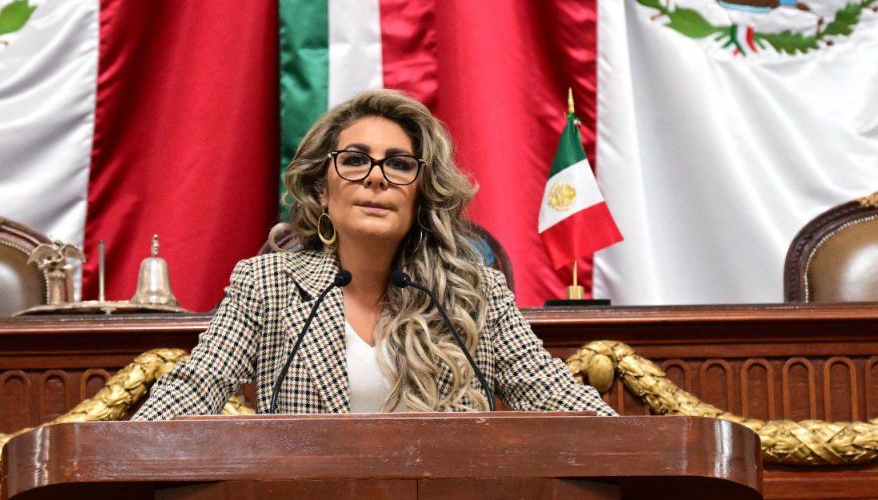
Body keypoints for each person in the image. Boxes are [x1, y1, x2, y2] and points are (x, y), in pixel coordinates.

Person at [133, 90, 615, 418]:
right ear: (321, 189)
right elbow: (194, 388)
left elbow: (556, 396)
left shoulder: (474, 293)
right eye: (355, 160)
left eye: (399, 164)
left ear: (421, 194)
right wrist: (123, 448)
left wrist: (639, 447)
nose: (377, 177)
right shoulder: (267, 284)